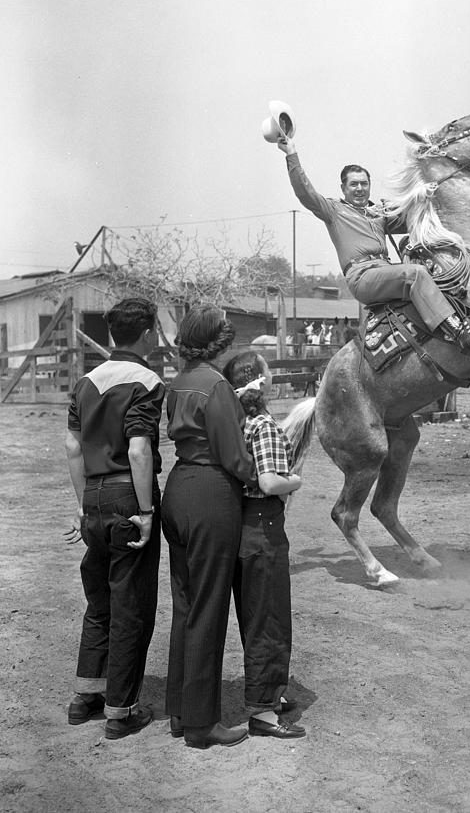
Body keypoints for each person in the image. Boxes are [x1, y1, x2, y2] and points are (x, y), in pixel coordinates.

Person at [64, 297, 164, 740]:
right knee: (131, 605)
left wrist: (84, 503)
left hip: (93, 496)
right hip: (128, 495)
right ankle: (120, 711)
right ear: (147, 334)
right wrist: (145, 511)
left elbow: (72, 448)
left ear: (110, 335)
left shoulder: (84, 382)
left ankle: (86, 694)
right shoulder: (146, 381)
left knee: (99, 599)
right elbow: (140, 450)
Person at [277, 136, 470, 350]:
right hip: (362, 276)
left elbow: (412, 218)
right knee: (416, 274)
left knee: (433, 270)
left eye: (364, 183)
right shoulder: (334, 211)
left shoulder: (379, 215)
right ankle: (458, 332)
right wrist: (291, 153)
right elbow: (304, 192)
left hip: (386, 272)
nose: (359, 188)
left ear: (369, 186)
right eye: (353, 184)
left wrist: (428, 196)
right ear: (343, 188)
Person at [162, 304, 257, 749]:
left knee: (186, 604)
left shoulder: (179, 381)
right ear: (222, 341)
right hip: (210, 493)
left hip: (178, 489)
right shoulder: (216, 385)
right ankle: (203, 724)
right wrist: (263, 476)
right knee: (209, 607)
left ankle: (180, 711)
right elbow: (234, 456)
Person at [223, 351, 306, 739]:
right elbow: (271, 482)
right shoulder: (266, 426)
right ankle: (264, 710)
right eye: (269, 371)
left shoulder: (236, 424)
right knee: (270, 618)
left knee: (253, 615)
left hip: (239, 525)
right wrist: (297, 481)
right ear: (261, 381)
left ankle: (266, 693)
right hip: (263, 525)